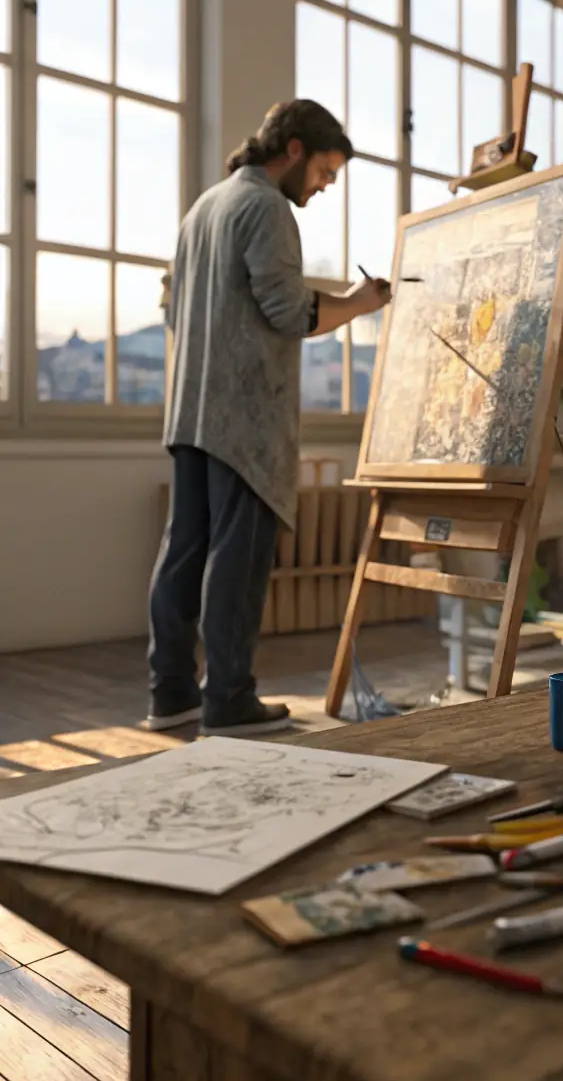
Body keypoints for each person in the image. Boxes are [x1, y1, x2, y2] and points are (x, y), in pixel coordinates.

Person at [147, 99, 391, 736]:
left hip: (191, 411)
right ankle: (228, 699)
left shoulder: (205, 206)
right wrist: (359, 303)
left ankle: (170, 692)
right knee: (239, 556)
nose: (326, 184)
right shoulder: (265, 207)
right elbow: (290, 313)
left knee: (183, 552)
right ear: (293, 151)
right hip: (243, 419)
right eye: (324, 170)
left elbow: (174, 309)